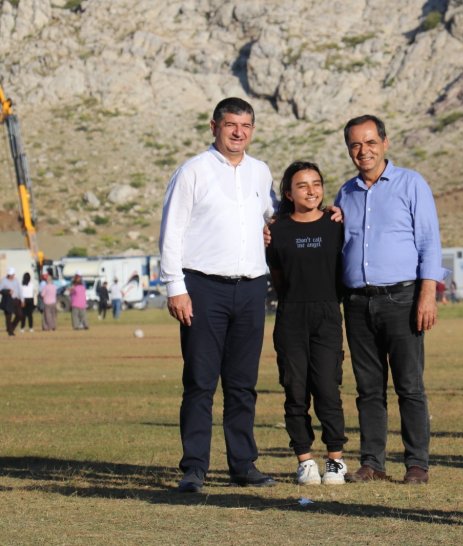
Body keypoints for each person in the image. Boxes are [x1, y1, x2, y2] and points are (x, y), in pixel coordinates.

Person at [159, 97, 276, 493]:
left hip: (251, 288)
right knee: (200, 382)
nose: (238, 132)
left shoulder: (261, 172)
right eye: (230, 125)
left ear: (252, 130)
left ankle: (243, 464)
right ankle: (194, 467)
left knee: (243, 383)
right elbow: (171, 231)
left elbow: (270, 219)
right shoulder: (193, 171)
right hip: (203, 287)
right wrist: (176, 287)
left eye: (245, 125)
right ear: (214, 127)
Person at [334, 114, 447, 485]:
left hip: (402, 298)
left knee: (409, 386)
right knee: (368, 388)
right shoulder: (345, 193)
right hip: (357, 302)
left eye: (369, 142)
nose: (362, 151)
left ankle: (417, 464)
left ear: (384, 142)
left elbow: (429, 243)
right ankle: (373, 463)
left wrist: (427, 295)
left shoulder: (411, 184)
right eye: (355, 144)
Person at [266, 161, 348, 486]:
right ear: (289, 192)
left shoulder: (336, 223)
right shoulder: (277, 229)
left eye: (316, 183)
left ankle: (335, 460)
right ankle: (304, 460)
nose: (311, 190)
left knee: (328, 387)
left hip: (327, 313)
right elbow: (277, 276)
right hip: (291, 315)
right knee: (295, 389)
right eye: (302, 185)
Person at [0, 267, 22, 336]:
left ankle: (11, 327)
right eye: (11, 274)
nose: (12, 275)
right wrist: (7, 291)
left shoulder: (16, 280)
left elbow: (19, 290)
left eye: (13, 274)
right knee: (8, 317)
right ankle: (10, 332)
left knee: (20, 315)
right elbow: (0, 290)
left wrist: (22, 299)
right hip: (7, 300)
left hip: (15, 299)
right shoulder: (4, 280)